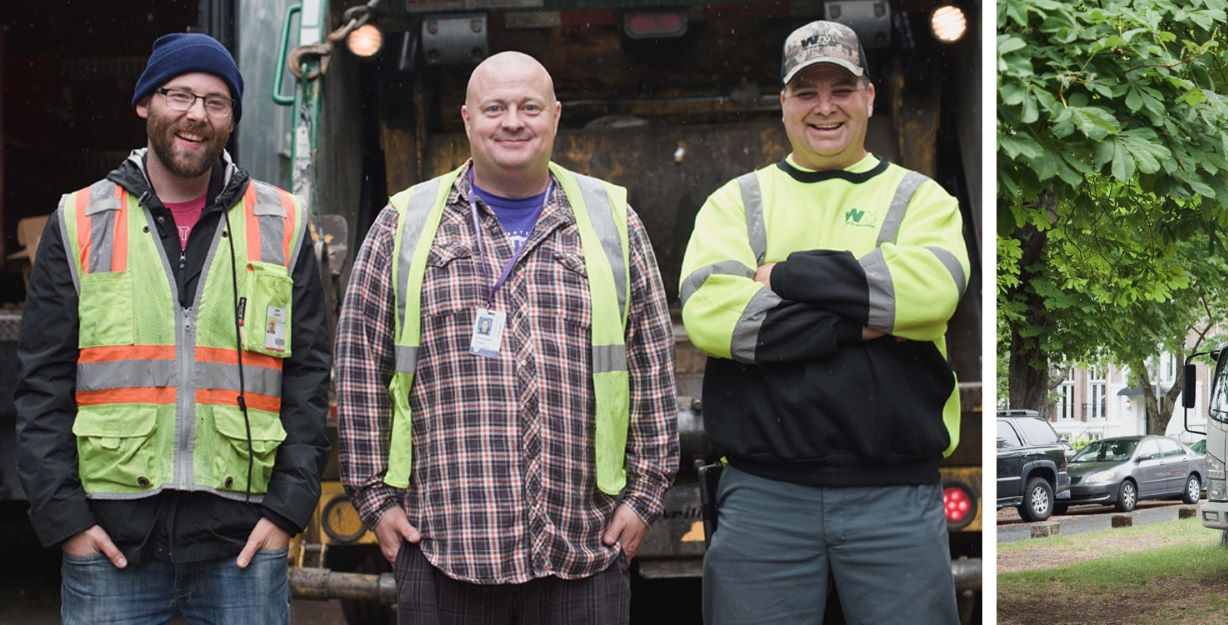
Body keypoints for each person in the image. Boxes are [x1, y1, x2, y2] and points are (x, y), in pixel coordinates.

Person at [335, 51, 678, 623]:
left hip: (583, 551)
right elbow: (360, 366)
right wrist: (374, 501)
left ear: (556, 117)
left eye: (529, 107)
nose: (513, 121)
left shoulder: (610, 220)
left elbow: (649, 360)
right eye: (495, 108)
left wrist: (644, 498)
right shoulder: (406, 222)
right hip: (444, 549)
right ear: (468, 119)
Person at [13, 33, 330, 624]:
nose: (196, 115)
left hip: (244, 542)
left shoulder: (281, 222)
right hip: (111, 542)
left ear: (232, 118)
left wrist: (287, 513)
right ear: (144, 105)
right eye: (178, 94)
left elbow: (309, 379)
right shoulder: (80, 218)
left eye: (216, 101)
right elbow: (42, 385)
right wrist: (67, 522)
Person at [679, 20, 969, 624]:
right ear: (784, 104)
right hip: (763, 499)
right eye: (806, 92)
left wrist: (780, 277)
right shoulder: (737, 201)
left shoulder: (922, 199)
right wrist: (856, 321)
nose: (825, 107)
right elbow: (712, 316)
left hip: (893, 498)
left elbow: (932, 293)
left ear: (869, 97)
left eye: (842, 88)